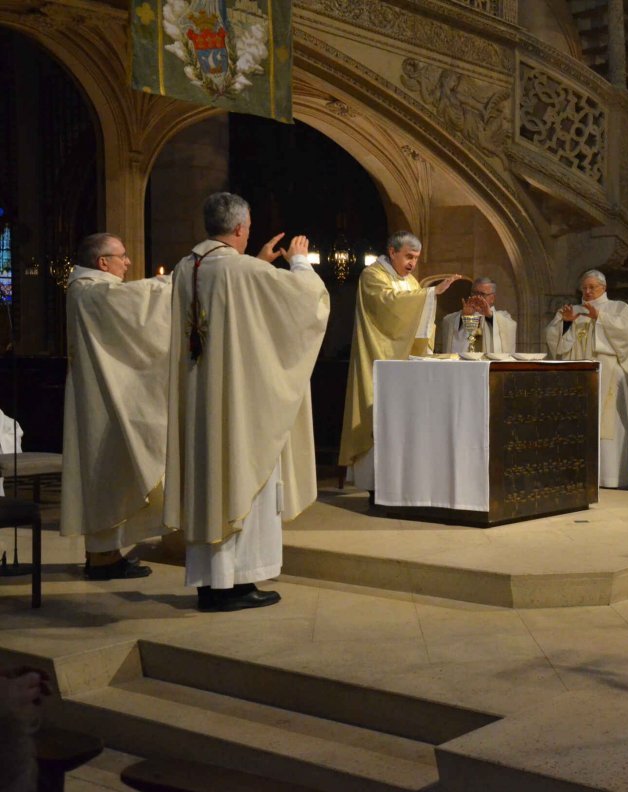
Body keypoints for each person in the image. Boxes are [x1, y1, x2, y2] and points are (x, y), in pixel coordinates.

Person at [164, 192, 329, 612]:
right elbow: (305, 301)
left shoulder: (190, 266)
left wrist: (257, 261)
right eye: (249, 228)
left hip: (202, 402)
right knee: (242, 476)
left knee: (209, 484)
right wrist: (298, 261)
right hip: (240, 404)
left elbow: (239, 295)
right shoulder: (238, 270)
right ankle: (234, 585)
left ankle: (210, 581)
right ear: (239, 228)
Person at [60, 233, 171, 580]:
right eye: (121, 256)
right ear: (101, 262)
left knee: (108, 476)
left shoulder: (86, 289)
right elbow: (131, 302)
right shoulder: (90, 291)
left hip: (100, 396)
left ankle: (104, 555)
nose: (128, 262)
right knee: (105, 475)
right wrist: (174, 281)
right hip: (100, 403)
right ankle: (102, 559)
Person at [339, 233, 463, 502]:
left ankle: (399, 482)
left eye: (416, 258)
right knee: (375, 413)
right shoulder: (373, 276)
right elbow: (389, 308)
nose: (412, 264)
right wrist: (431, 293)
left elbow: (417, 320)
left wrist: (427, 295)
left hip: (404, 364)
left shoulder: (410, 281)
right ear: (392, 251)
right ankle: (373, 486)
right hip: (377, 356)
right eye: (408, 256)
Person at [545, 269, 628, 488]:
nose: (587, 292)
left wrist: (600, 318)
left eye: (592, 287)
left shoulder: (619, 308)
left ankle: (612, 477)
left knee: (611, 425)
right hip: (579, 373)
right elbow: (553, 339)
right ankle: (580, 475)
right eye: (584, 288)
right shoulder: (571, 310)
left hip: (609, 373)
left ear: (603, 288)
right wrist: (566, 323)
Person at [435, 276, 516, 355]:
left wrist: (489, 316)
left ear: (492, 298)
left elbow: (509, 327)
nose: (477, 297)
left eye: (482, 294)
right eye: (475, 293)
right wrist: (464, 315)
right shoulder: (460, 315)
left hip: (490, 366)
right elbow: (447, 322)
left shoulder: (502, 317)